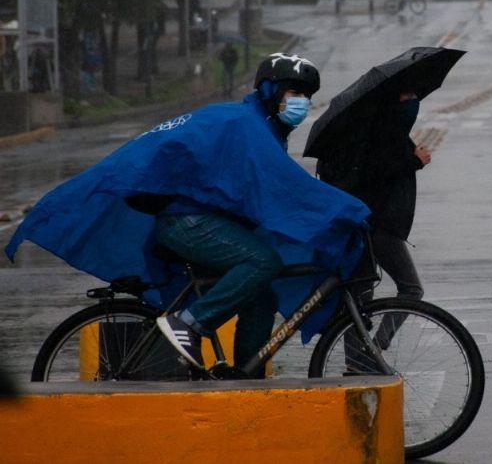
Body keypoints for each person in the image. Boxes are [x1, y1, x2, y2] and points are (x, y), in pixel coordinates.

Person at [5, 52, 371, 378]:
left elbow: (264, 192)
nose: (301, 102)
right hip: (186, 223)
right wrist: (345, 211)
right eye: (293, 92)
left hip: (198, 221)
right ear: (268, 91)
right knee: (262, 263)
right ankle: (189, 326)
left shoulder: (258, 128)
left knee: (262, 297)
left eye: (307, 95)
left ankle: (246, 378)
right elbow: (286, 187)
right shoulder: (245, 124)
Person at [344, 91, 430, 304]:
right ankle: (380, 340)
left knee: (361, 292)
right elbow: (377, 172)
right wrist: (415, 161)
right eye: (406, 96)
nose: (412, 101)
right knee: (411, 290)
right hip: (380, 224)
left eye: (414, 96)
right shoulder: (385, 130)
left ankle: (358, 338)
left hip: (368, 222)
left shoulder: (388, 128)